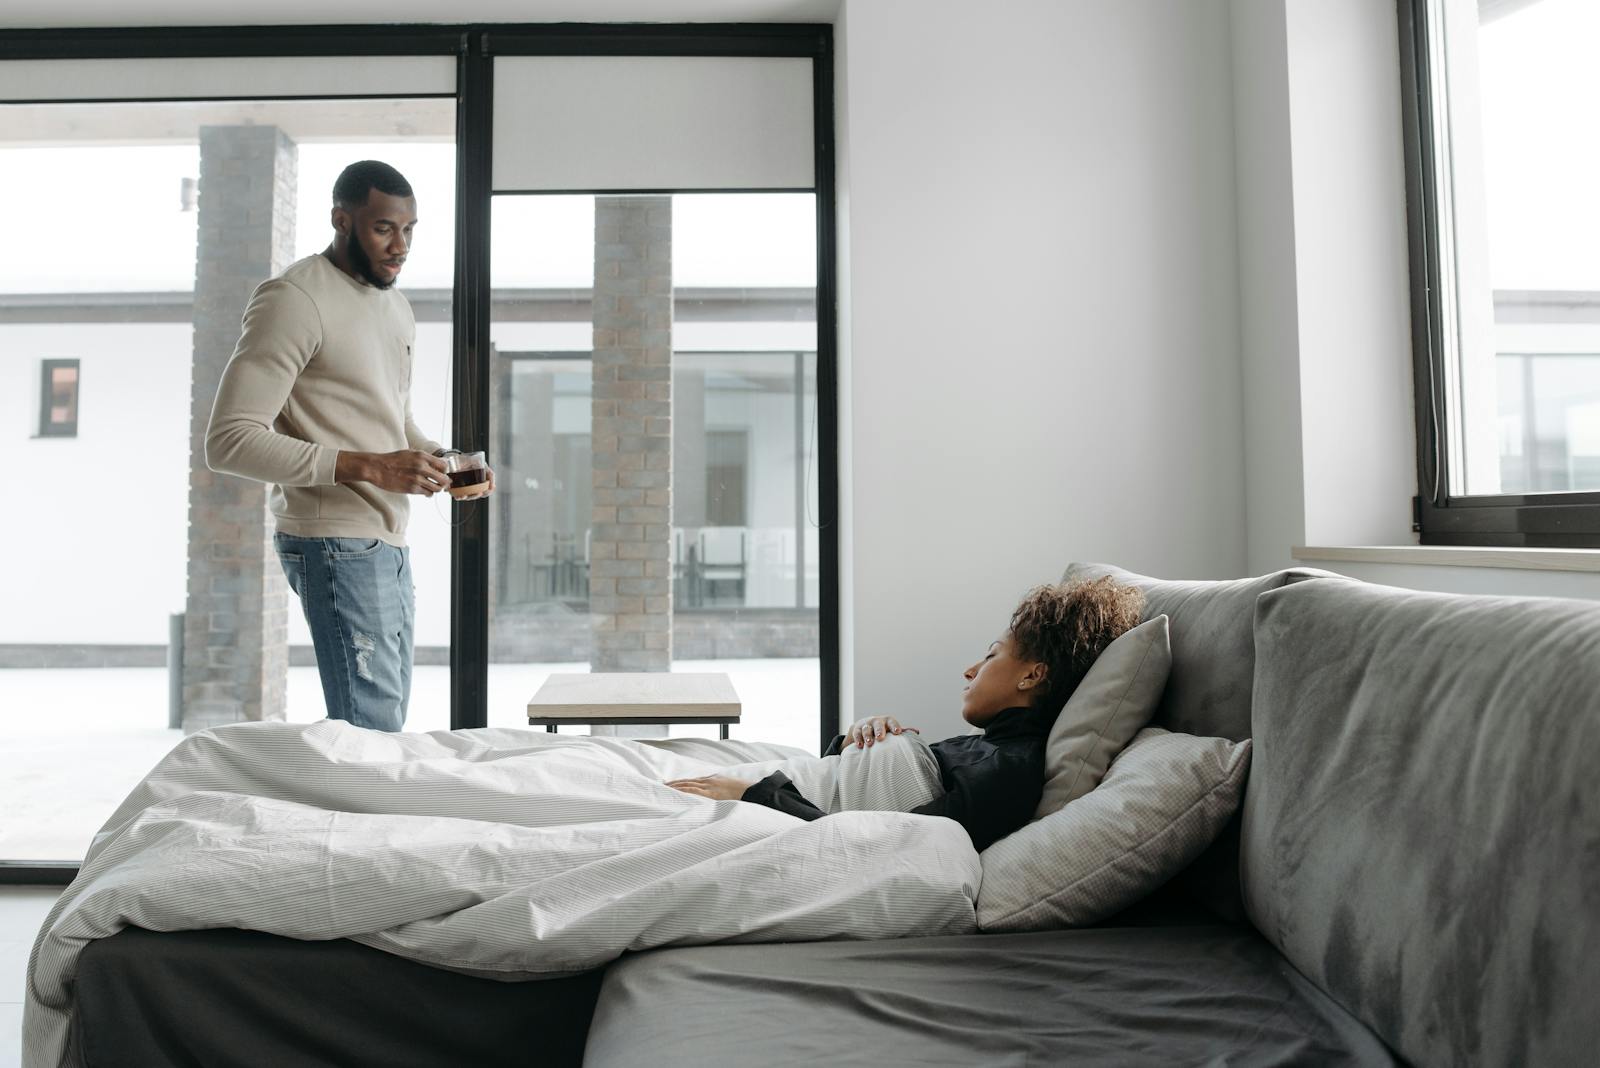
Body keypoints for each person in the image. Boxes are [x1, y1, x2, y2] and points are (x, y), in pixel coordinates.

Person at [205, 160, 492, 733]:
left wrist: (438, 458)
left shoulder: (394, 305)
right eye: (384, 227)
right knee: (369, 729)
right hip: (332, 539)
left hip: (385, 538)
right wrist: (371, 467)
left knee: (379, 725)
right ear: (342, 219)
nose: (400, 245)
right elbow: (229, 441)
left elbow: (390, 414)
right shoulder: (292, 299)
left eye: (410, 230)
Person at [667, 577, 1144, 851]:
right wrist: (857, 743)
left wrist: (757, 793)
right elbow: (858, 793)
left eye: (992, 655)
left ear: (1031, 676)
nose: (972, 669)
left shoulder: (1012, 770)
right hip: (777, 790)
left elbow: (888, 841)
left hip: (764, 803)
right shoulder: (989, 749)